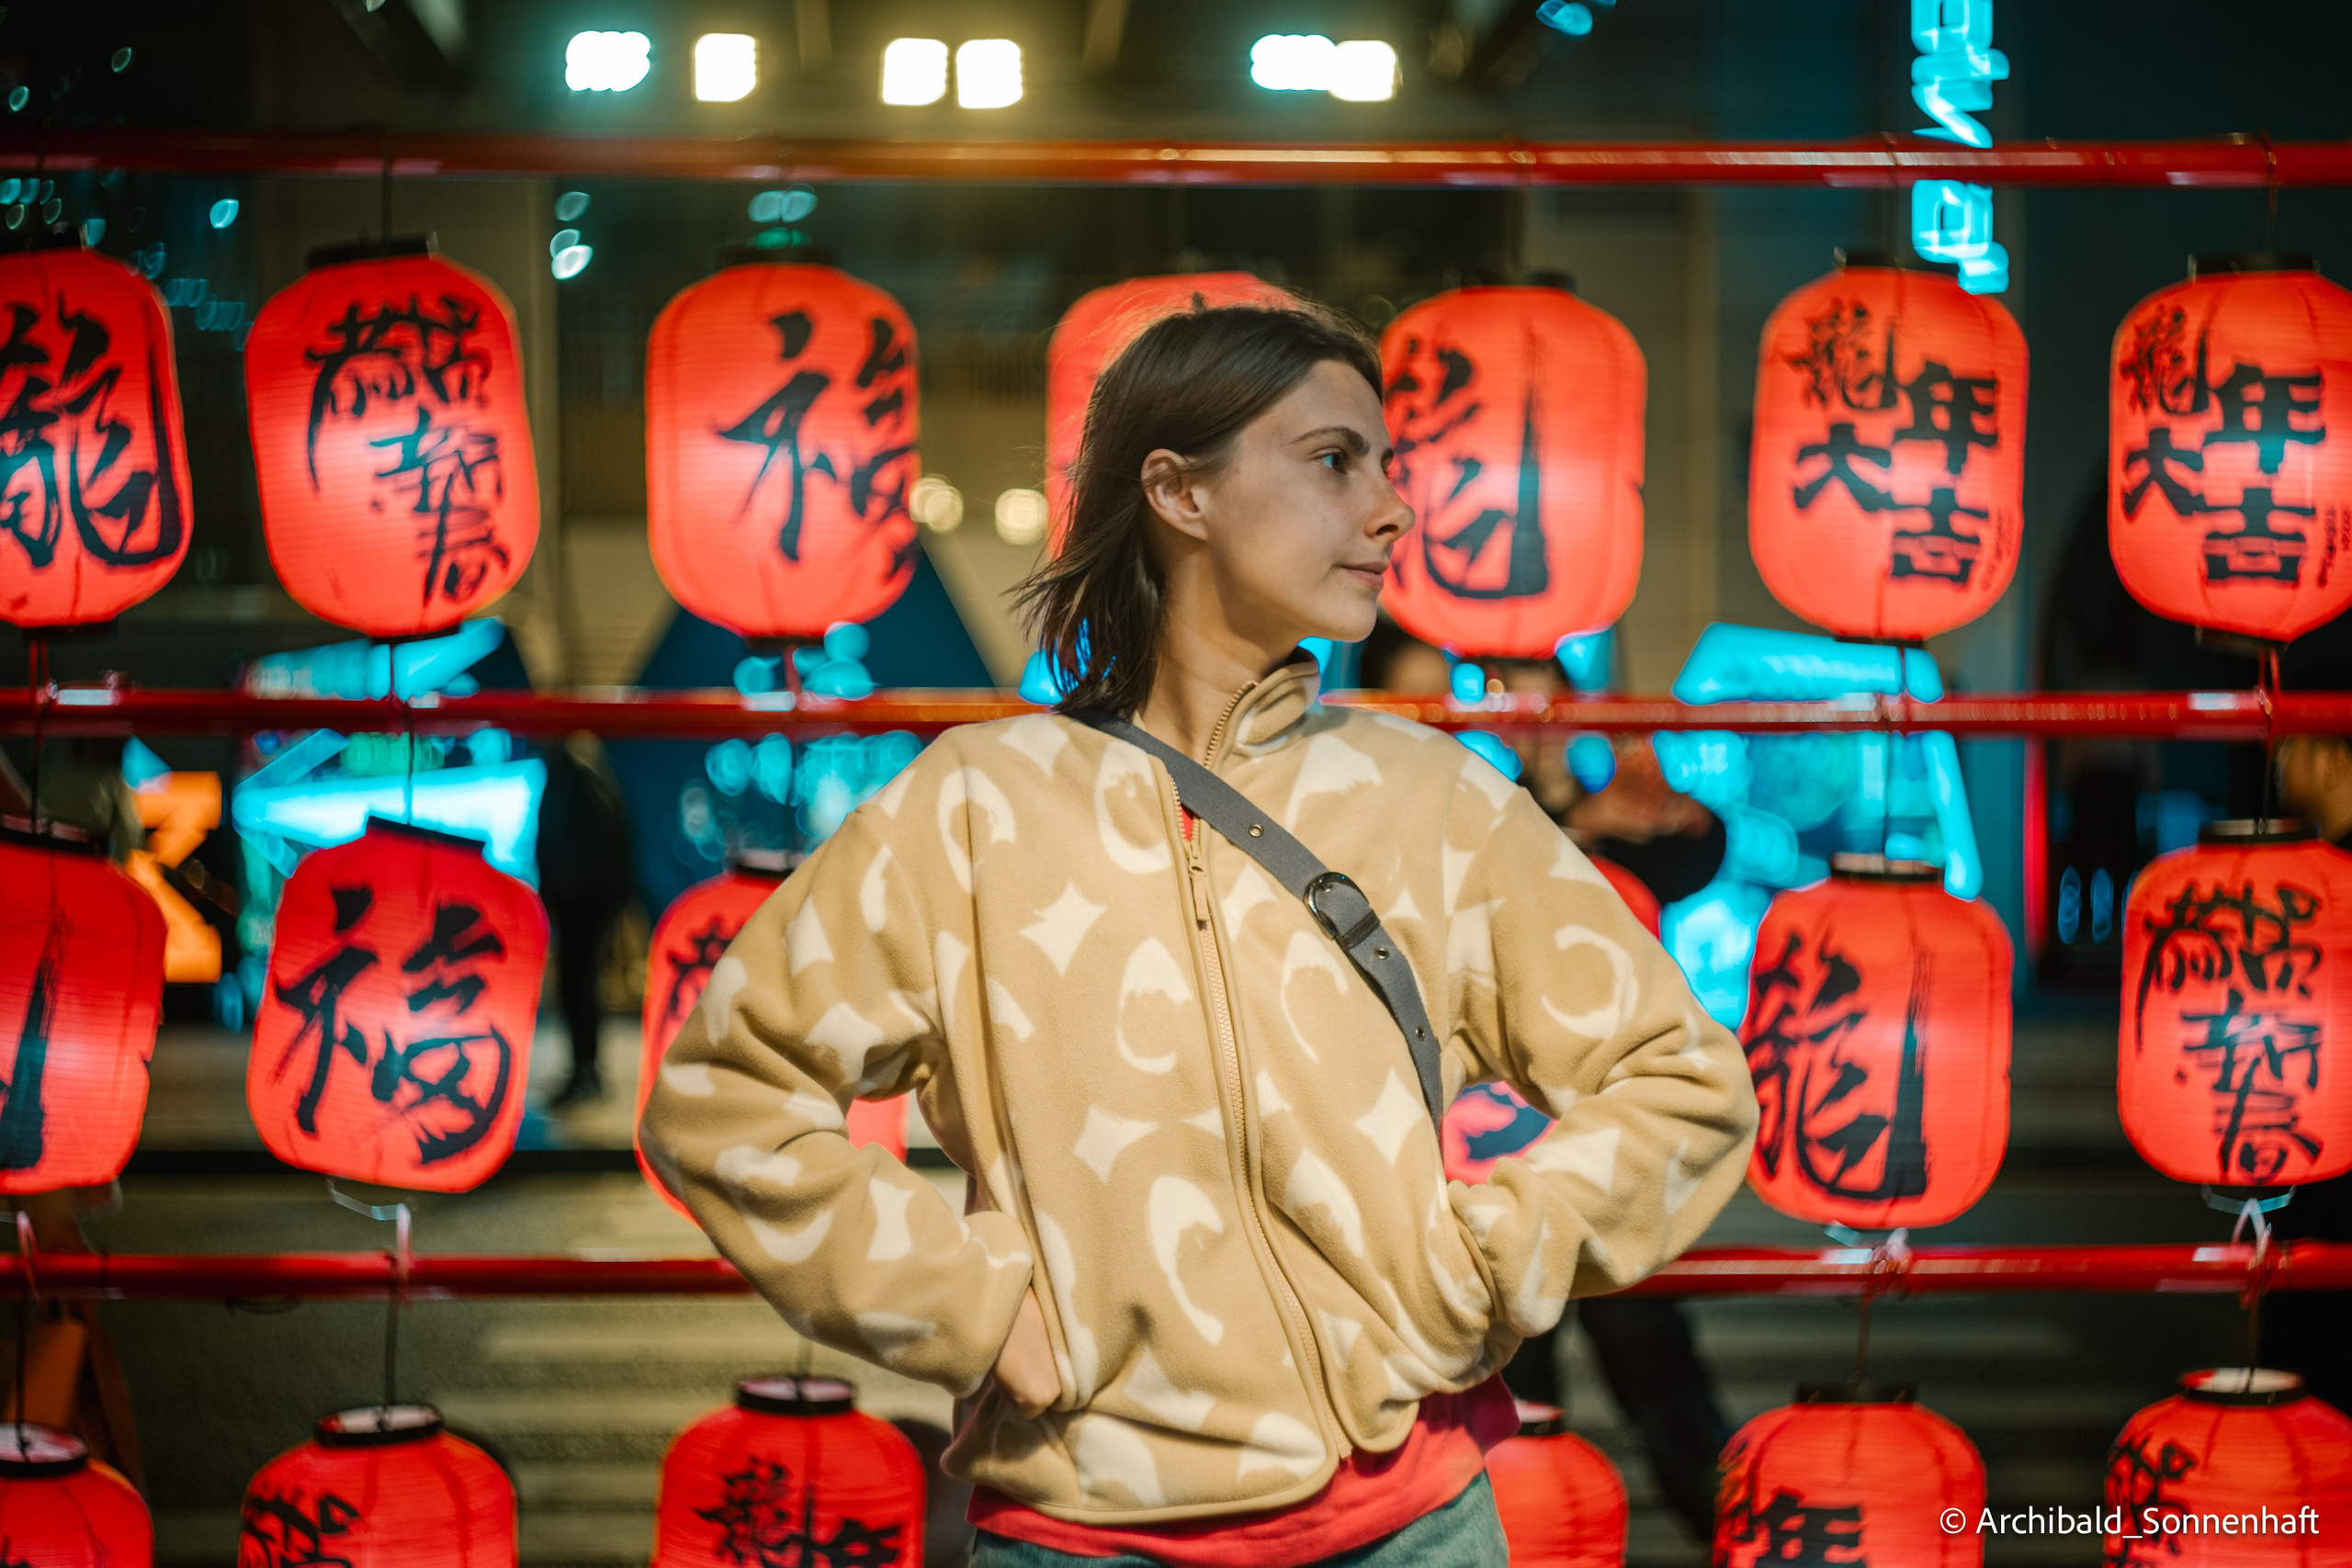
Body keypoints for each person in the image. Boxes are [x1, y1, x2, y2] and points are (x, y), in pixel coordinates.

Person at [641, 301, 1758, 1564]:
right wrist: (965, 1307)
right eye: (1338, 461)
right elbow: (721, 1095)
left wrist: (1491, 1263)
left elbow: (1687, 1080)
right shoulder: (972, 807)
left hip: (1409, 1521)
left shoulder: (1433, 797)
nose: (1392, 510)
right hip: (1080, 1531)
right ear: (1179, 493)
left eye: (1390, 467)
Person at [1363, 631, 1736, 1542]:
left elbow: (1693, 850)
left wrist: (1618, 803)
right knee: (1509, 1413)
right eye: (1434, 716)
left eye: (1515, 705)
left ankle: (1734, 1531)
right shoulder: (1379, 834)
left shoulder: (1591, 820)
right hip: (1461, 1178)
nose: (1474, 732)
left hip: (1586, 1149)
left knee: (1661, 1376)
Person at [2261, 660, 2352, 1415]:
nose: (2277, 761)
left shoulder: (2313, 894)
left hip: (2327, 1189)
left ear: (2335, 762)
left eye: (2290, 747)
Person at [534, 732, 635, 1109]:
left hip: (582, 904)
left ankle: (585, 1072)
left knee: (578, 987)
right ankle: (584, 1070)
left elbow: (584, 841)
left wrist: (566, 885)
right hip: (588, 901)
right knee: (580, 987)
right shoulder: (588, 771)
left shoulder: (576, 774)